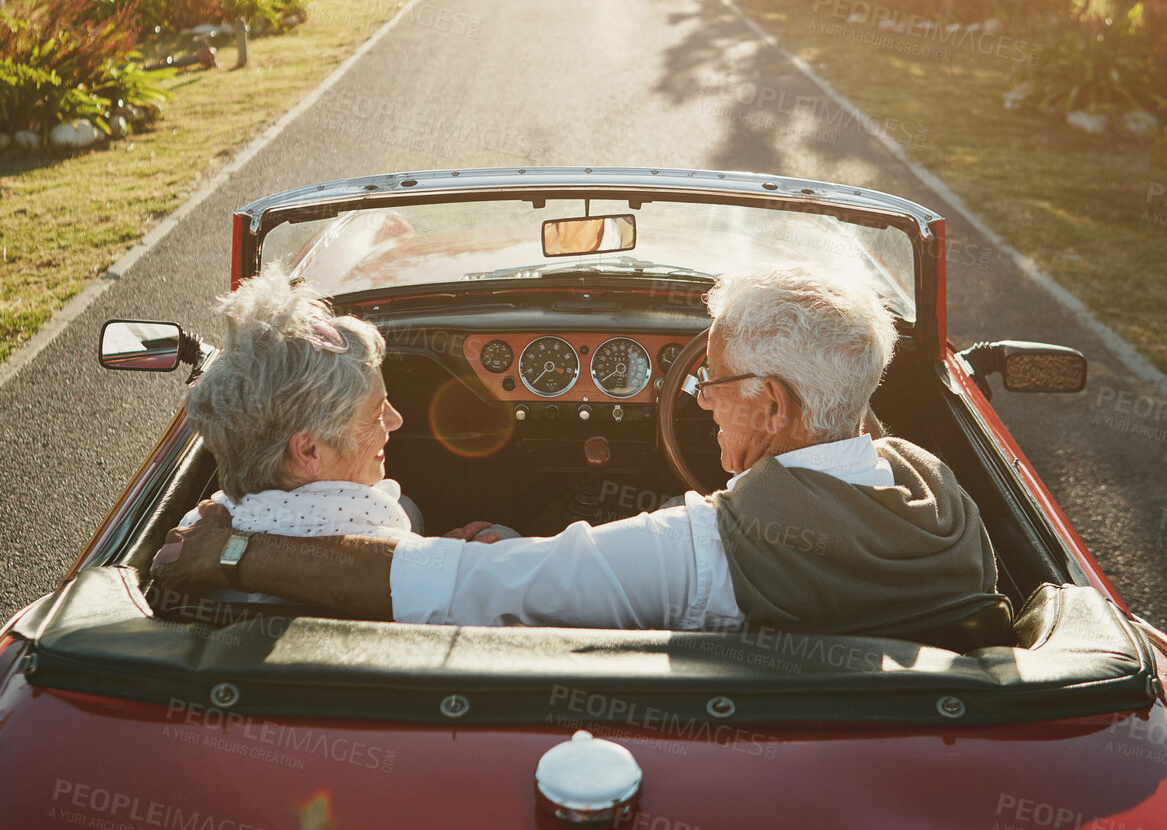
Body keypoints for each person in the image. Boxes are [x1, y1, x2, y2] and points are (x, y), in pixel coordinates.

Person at [153, 262, 1000, 635]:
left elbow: (468, 591)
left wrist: (233, 550)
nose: (699, 402)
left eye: (709, 380)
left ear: (770, 405)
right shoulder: (943, 504)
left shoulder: (702, 556)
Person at [175, 268, 422, 577]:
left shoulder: (191, 533)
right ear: (308, 451)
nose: (395, 421)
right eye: (375, 415)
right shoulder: (392, 558)